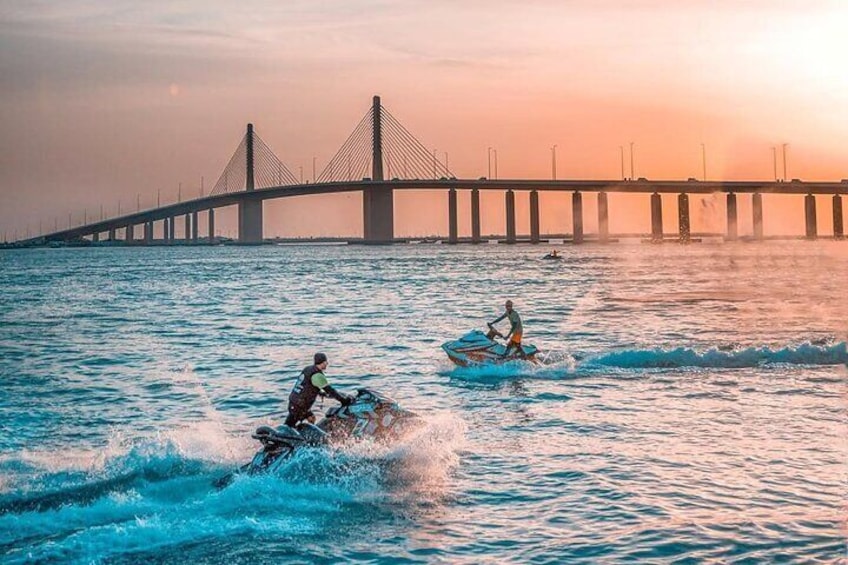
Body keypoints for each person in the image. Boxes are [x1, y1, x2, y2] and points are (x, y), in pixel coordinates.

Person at [285, 352, 352, 428]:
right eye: (326, 361)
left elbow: (306, 385)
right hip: (300, 406)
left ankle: (303, 435)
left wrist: (320, 393)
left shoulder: (308, 369)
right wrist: (343, 400)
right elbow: (330, 390)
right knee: (289, 426)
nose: (327, 363)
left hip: (294, 402)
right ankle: (288, 437)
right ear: (322, 362)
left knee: (311, 418)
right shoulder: (317, 375)